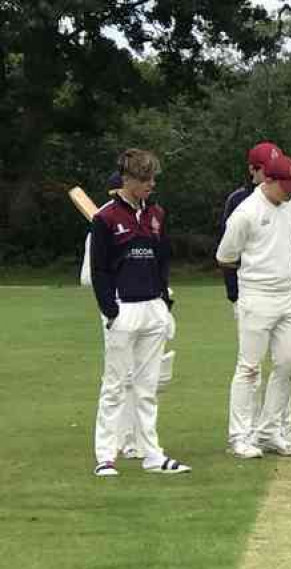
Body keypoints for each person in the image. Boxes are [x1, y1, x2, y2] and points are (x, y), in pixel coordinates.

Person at [90, 148, 190, 477]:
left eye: (152, 179)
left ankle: (152, 454)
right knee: (115, 384)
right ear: (127, 179)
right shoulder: (104, 218)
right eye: (145, 179)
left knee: (148, 387)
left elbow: (163, 259)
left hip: (153, 308)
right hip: (123, 308)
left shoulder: (157, 213)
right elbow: (100, 270)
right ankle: (106, 455)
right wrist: (110, 309)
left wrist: (164, 300)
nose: (150, 185)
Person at [217, 154, 291, 459]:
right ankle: (240, 437)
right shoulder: (244, 213)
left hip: (289, 296)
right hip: (256, 297)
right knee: (249, 368)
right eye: (286, 186)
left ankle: (270, 432)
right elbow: (225, 256)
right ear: (268, 180)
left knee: (288, 363)